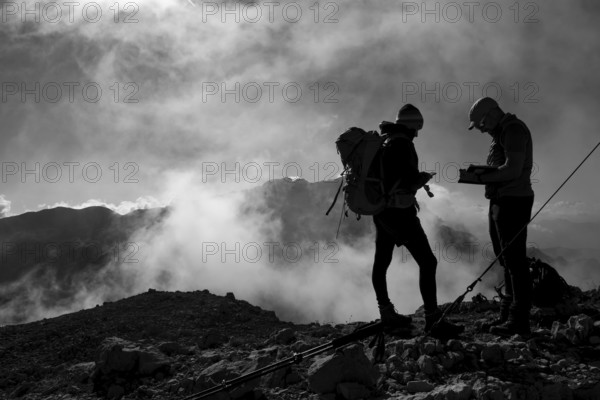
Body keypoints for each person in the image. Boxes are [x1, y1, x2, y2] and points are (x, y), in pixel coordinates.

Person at [373, 104, 464, 338]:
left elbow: (391, 177)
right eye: (417, 128)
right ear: (413, 126)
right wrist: (422, 178)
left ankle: (387, 313)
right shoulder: (403, 144)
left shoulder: (385, 142)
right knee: (428, 262)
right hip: (400, 214)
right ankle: (433, 320)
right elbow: (405, 181)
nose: (418, 133)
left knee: (381, 263)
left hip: (382, 212)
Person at [460, 97, 534, 336]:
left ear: (490, 115)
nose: (481, 129)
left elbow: (513, 169)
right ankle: (509, 313)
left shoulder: (512, 130)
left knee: (514, 260)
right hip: (503, 200)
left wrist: (481, 177)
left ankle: (518, 320)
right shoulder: (503, 131)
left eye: (481, 124)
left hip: (513, 200)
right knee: (507, 258)